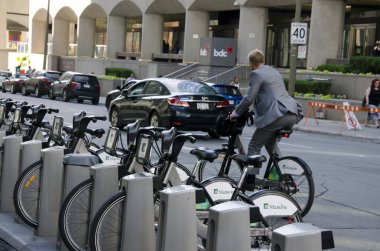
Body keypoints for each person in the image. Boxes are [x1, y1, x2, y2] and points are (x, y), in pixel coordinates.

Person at [230, 49, 300, 190]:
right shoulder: (273, 71)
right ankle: (287, 178)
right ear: (263, 60)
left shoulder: (256, 74)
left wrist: (235, 113)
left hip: (277, 115)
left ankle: (250, 180)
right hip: (291, 112)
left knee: (254, 145)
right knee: (270, 145)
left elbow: (250, 97)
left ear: (251, 63)